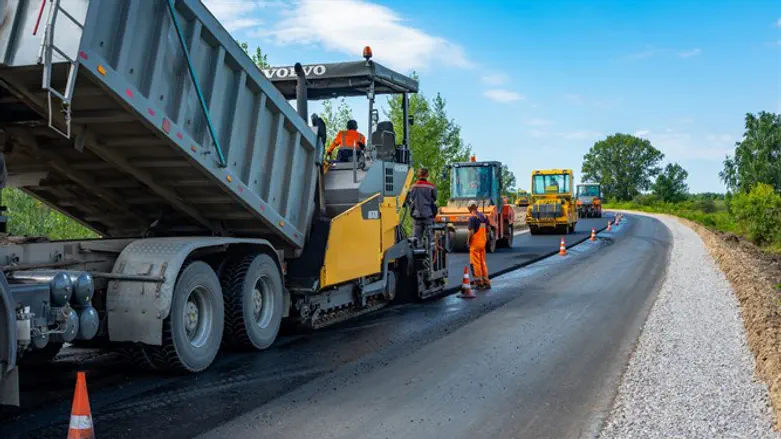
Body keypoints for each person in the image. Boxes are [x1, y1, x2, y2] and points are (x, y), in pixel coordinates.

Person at [408, 168, 438, 239]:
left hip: (416, 215)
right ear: (427, 175)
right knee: (430, 237)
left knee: (416, 238)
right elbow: (435, 198)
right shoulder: (431, 186)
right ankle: (430, 249)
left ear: (418, 175)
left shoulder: (413, 186)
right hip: (428, 214)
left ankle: (416, 248)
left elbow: (410, 198)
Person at [467, 200, 491, 289]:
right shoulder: (484, 216)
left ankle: (479, 282)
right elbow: (488, 229)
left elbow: (471, 232)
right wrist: (486, 240)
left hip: (475, 244)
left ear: (469, 208)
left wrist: (467, 242)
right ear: (477, 207)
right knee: (482, 262)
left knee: (475, 263)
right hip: (483, 243)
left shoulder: (472, 218)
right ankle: (486, 281)